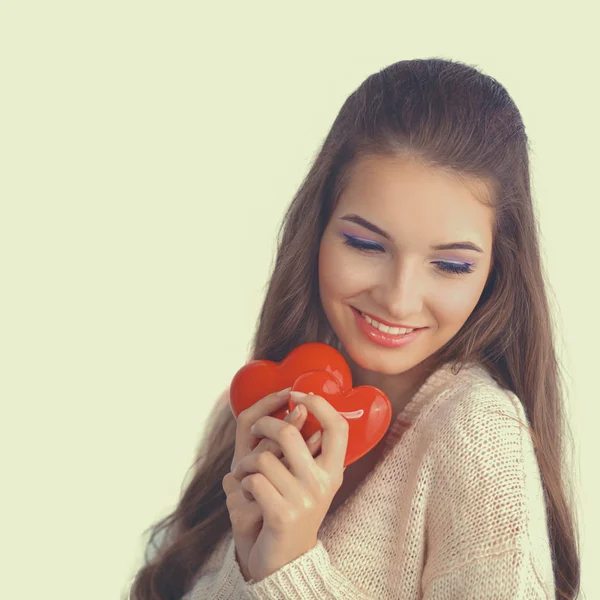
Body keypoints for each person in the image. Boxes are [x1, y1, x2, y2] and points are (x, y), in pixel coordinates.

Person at [128, 57, 580, 599]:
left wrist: (289, 566)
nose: (398, 297)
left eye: (452, 265)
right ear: (316, 230)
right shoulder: (255, 410)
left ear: (494, 272)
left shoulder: (478, 437)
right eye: (366, 245)